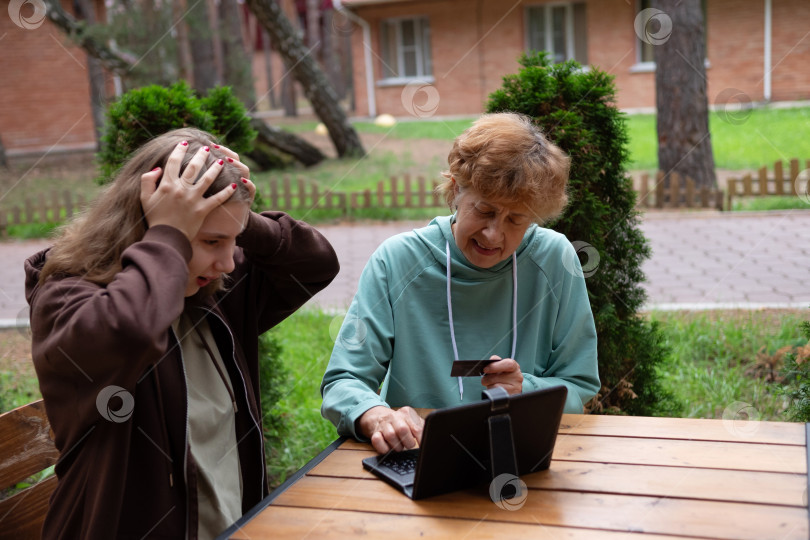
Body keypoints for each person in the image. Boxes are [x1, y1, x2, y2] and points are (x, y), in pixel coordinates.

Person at [24, 128, 339, 539]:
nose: (228, 263)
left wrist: (234, 214)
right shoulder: (66, 300)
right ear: (150, 226)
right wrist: (170, 234)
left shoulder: (207, 290)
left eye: (234, 241)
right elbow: (132, 332)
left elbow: (315, 264)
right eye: (210, 241)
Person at [321, 112, 599, 454]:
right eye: (483, 210)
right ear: (455, 190)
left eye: (516, 219)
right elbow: (344, 380)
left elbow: (578, 385)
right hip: (420, 452)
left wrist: (523, 389)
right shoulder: (397, 260)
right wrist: (377, 416)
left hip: (521, 449)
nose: (493, 234)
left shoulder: (555, 260)